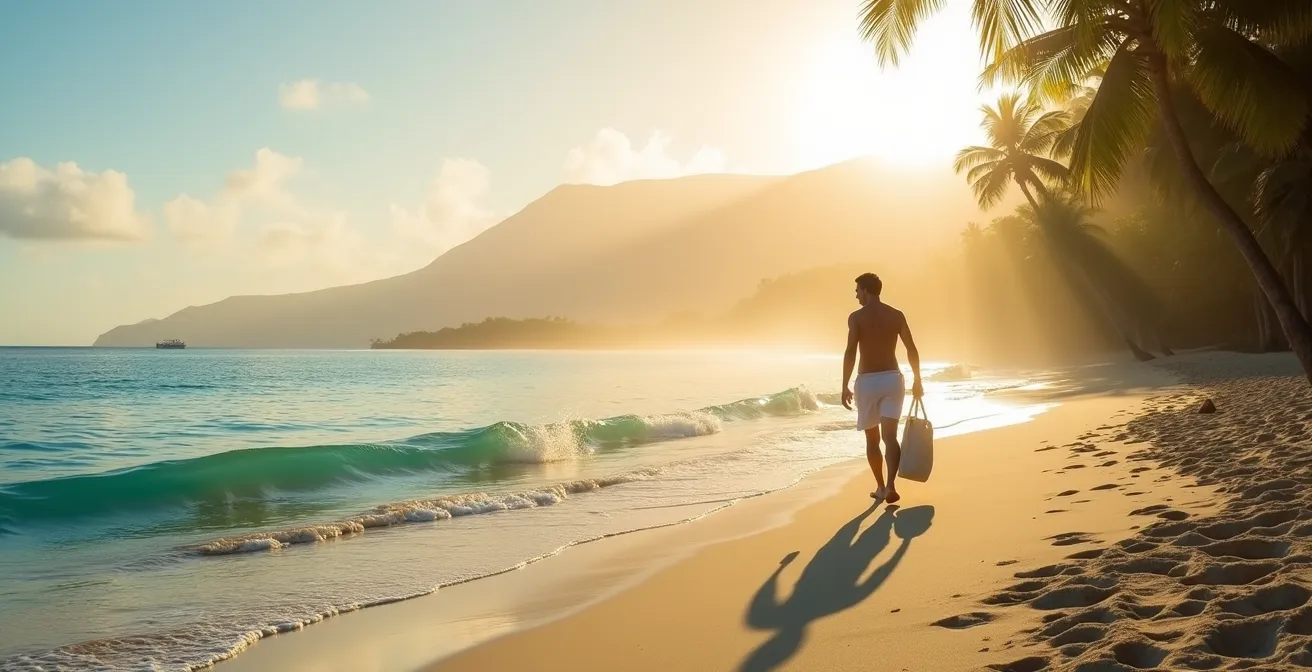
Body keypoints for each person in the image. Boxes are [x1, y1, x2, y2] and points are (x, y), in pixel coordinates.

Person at [840, 272, 922, 504]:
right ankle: (891, 485)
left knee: (872, 440)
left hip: (867, 381)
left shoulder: (856, 318)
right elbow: (911, 349)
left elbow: (850, 351)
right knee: (890, 437)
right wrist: (918, 379)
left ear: (866, 290)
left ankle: (879, 486)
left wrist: (844, 384)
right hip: (893, 379)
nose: (856, 296)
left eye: (857, 291)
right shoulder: (896, 315)